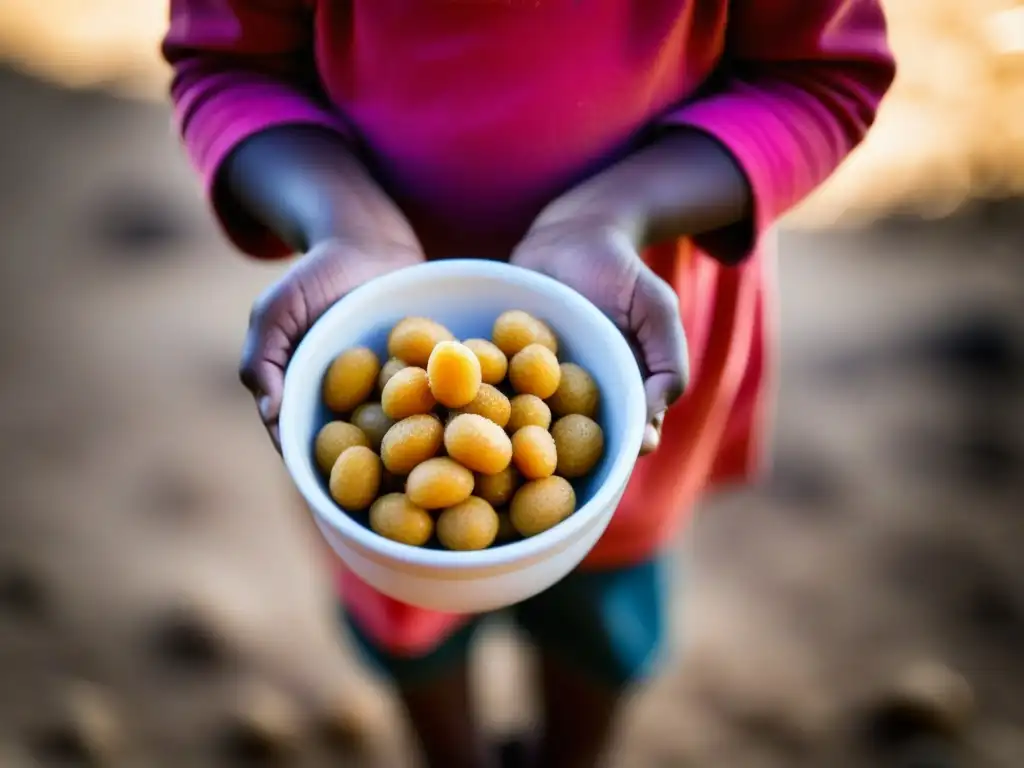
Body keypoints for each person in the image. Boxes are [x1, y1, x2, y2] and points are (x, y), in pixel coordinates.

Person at [163, 3, 894, 766]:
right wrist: (343, 220)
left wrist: (627, 207)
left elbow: (828, 75)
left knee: (606, 605)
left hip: (623, 329)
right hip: (363, 307)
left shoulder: (572, 412)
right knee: (404, 606)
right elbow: (225, 63)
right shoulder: (386, 435)